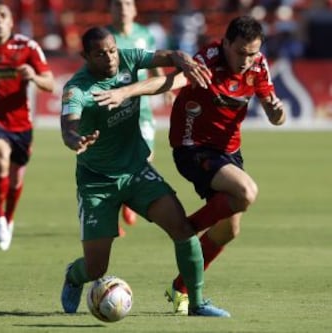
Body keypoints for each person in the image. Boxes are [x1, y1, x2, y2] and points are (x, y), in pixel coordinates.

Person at [94, 15, 286, 315]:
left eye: (252, 53)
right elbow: (170, 81)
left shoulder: (258, 65)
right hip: (192, 148)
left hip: (229, 153)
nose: (247, 60)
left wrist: (277, 112)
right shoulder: (207, 60)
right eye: (241, 52)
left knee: (229, 229)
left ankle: (181, 287)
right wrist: (125, 92)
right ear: (225, 43)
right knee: (246, 192)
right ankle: (184, 232)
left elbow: (276, 116)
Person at [59, 26, 231, 317]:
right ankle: (74, 276)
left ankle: (196, 302)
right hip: (97, 182)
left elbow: (169, 57)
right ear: (85, 56)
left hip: (137, 170)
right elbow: (68, 126)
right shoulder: (77, 88)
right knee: (96, 268)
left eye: (112, 50)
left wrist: (182, 59)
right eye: (100, 54)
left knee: (183, 229)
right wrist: (76, 139)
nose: (110, 58)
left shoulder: (128, 58)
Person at [0, 0, 55, 251]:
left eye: (3, 16)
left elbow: (50, 83)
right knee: (1, 161)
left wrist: (35, 76)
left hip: (21, 123)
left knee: (16, 178)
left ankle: (8, 219)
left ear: (11, 21)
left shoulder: (27, 47)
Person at [107, 0, 175, 231]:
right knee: (113, 163)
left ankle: (127, 199)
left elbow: (153, 60)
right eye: (117, 4)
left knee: (145, 157)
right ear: (111, 9)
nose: (123, 8)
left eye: (127, 3)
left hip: (142, 109)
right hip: (114, 111)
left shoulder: (144, 34)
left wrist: (166, 87)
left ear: (134, 10)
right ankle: (113, 214)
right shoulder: (106, 37)